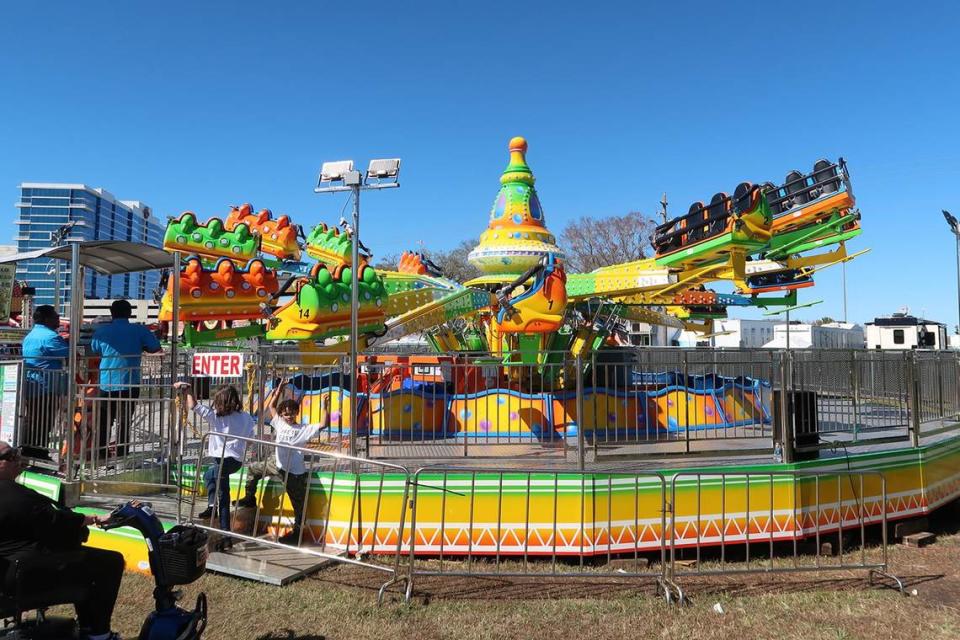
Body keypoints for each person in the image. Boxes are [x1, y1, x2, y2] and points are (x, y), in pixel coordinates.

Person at [0, 441, 124, 640]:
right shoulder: (13, 495)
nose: (18, 459)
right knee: (109, 562)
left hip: (11, 573)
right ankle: (98, 634)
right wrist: (94, 519)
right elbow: (57, 522)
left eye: (17, 453)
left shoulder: (15, 494)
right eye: (10, 456)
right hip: (22, 577)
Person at [235, 381, 326, 544]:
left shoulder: (303, 429)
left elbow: (323, 424)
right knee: (253, 470)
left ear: (296, 413)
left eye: (291, 413)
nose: (288, 416)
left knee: (298, 503)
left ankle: (297, 533)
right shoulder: (280, 423)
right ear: (282, 415)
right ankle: (249, 497)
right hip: (276, 463)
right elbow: (271, 406)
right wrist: (278, 391)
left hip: (294, 471)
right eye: (285, 414)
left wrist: (325, 407)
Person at [174, 382, 255, 533]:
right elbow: (250, 439)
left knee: (223, 496)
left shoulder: (216, 417)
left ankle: (225, 533)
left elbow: (193, 405)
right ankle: (212, 507)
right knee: (208, 475)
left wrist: (189, 390)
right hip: (236, 461)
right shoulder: (246, 417)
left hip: (221, 460)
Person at [90, 299, 162, 459]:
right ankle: (122, 454)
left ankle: (100, 454)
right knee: (124, 420)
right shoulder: (139, 330)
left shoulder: (101, 332)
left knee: (104, 420)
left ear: (111, 313)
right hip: (129, 381)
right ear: (129, 313)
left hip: (106, 382)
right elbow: (155, 347)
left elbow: (95, 350)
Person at [21, 305, 69, 451]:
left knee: (34, 419)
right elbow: (71, 354)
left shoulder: (30, 336)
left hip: (32, 385)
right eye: (55, 316)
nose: (58, 319)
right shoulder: (50, 337)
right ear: (47, 319)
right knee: (44, 422)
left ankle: (29, 450)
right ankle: (39, 453)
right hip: (46, 386)